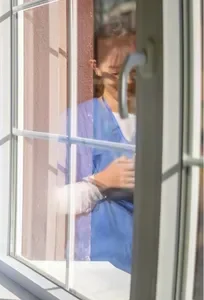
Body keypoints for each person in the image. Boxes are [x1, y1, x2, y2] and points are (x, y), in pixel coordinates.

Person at [55, 39, 137, 273]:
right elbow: (53, 201)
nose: (125, 79)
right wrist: (102, 182)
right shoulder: (77, 120)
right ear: (95, 67)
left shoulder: (161, 120)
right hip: (99, 259)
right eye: (114, 70)